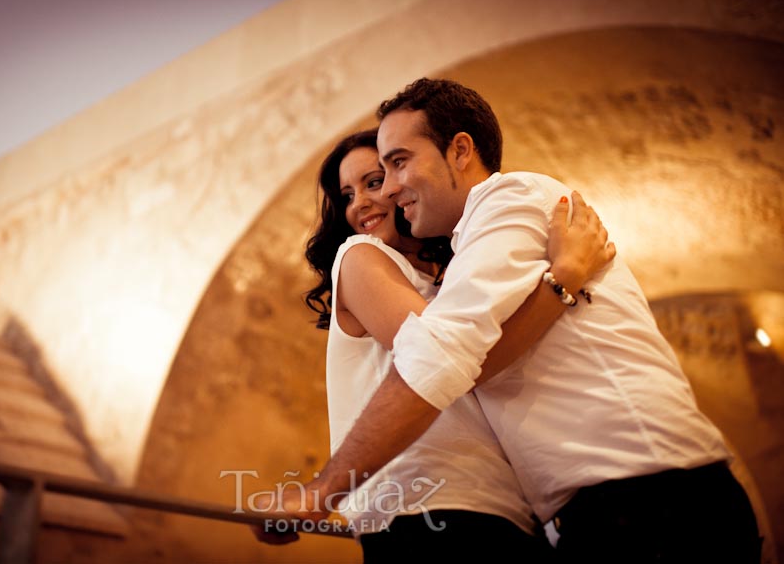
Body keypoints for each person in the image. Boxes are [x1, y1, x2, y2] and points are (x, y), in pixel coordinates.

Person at [272, 79, 761, 563]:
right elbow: (467, 363)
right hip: (601, 506)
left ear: (460, 150)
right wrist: (562, 282)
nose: (389, 188)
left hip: (648, 497)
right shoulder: (435, 257)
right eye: (358, 186)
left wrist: (322, 492)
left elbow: (445, 356)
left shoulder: (510, 199)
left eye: (394, 165)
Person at [254, 128, 613, 561]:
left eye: (373, 182)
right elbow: (447, 359)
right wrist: (564, 278)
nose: (361, 203)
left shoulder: (456, 279)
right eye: (346, 195)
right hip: (424, 509)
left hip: (509, 513)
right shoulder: (359, 256)